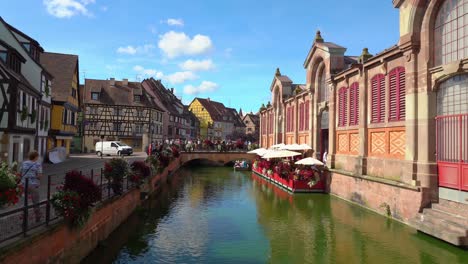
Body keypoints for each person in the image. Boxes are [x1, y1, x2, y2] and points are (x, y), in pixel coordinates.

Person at [21, 151, 43, 222]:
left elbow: (20, 173)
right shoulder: (37, 164)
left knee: (24, 202)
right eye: (37, 156)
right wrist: (34, 176)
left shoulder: (24, 163)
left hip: (23, 184)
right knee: (35, 201)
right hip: (33, 185)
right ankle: (38, 217)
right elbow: (39, 176)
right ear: (36, 157)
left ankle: (24, 216)